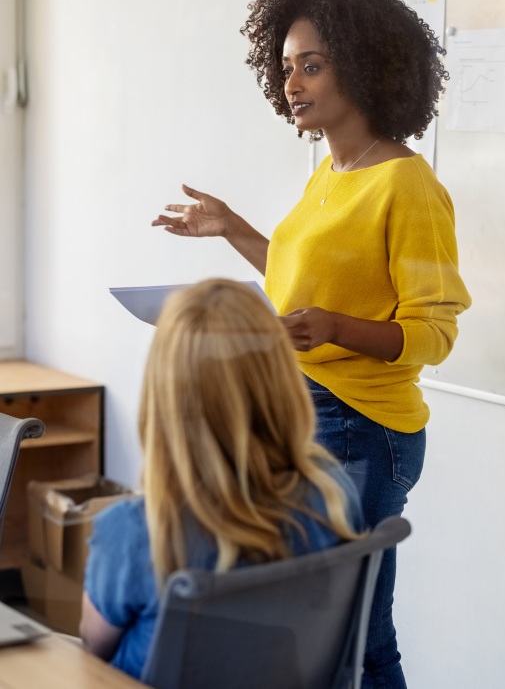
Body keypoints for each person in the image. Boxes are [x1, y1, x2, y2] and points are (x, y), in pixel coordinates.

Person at [152, 0, 472, 688]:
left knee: (353, 634)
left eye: (313, 65)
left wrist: (331, 327)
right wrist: (232, 228)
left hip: (363, 428)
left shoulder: (407, 186)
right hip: (303, 413)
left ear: (361, 68)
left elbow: (433, 333)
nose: (292, 83)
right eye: (287, 66)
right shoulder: (330, 172)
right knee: (315, 629)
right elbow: (302, 292)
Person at [80, 278, 363, 681]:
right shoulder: (332, 493)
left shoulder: (138, 530)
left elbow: (93, 647)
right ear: (280, 381)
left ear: (164, 394)